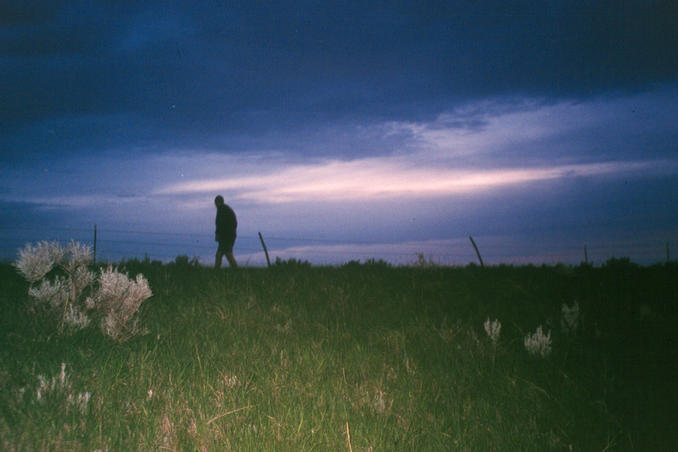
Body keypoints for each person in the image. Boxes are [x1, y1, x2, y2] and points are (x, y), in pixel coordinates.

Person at [214, 195, 238, 268]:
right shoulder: (224, 209)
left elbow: (221, 224)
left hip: (226, 237)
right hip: (228, 236)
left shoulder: (223, 210)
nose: (215, 205)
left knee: (225, 253)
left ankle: (235, 270)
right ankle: (217, 270)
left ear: (219, 202)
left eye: (216, 203)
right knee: (222, 254)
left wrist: (219, 234)